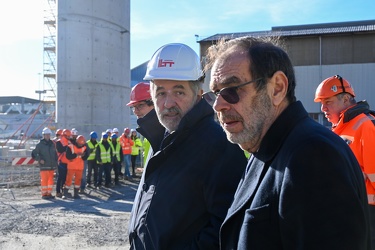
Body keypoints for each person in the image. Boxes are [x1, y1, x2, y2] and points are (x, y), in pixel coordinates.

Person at [202, 36, 371, 249]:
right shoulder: (264, 147)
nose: (218, 105)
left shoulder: (313, 156)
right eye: (216, 93)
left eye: (232, 88)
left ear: (277, 88)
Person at [128, 43, 247, 249]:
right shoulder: (160, 139)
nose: (168, 103)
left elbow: (226, 231)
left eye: (179, 92)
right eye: (161, 93)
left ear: (198, 93)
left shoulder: (219, 147)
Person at [314, 74, 375, 248]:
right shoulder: (340, 128)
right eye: (321, 103)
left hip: (368, 210)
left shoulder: (366, 125)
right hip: (348, 207)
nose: (323, 108)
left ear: (346, 99)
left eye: (328, 102)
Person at [126, 82, 155, 167]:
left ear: (155, 103)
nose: (135, 111)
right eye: (134, 107)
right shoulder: (148, 135)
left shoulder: (165, 134)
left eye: (140, 105)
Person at [31, 127, 58, 199]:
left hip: (51, 166)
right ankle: (44, 194)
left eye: (48, 134)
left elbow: (55, 154)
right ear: (43, 135)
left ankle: (49, 193)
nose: (48, 136)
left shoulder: (52, 144)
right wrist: (40, 160)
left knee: (50, 181)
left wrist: (56, 163)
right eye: (46, 134)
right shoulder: (40, 144)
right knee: (44, 181)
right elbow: (34, 154)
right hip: (44, 166)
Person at [63, 135, 89, 199]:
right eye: (80, 144)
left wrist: (83, 156)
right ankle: (65, 193)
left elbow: (86, 157)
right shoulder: (70, 146)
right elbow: (68, 156)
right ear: (77, 141)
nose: (80, 145)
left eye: (81, 144)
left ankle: (76, 194)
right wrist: (76, 155)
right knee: (68, 180)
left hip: (80, 167)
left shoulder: (85, 147)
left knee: (78, 181)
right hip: (71, 166)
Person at [55, 129, 72, 198]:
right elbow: (60, 150)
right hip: (62, 162)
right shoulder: (59, 142)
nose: (68, 137)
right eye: (67, 136)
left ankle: (64, 191)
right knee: (60, 177)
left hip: (68, 163)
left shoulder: (69, 142)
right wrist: (67, 146)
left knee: (65, 178)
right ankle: (58, 191)